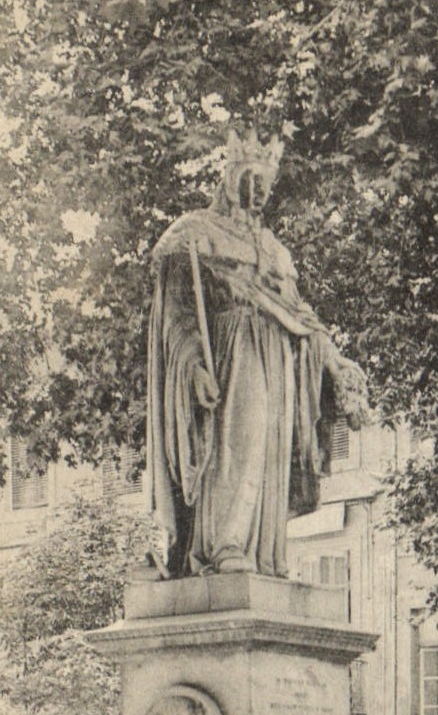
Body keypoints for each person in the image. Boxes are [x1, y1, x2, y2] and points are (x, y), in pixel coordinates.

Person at [146, 130, 368, 578]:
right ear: (230, 179)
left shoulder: (274, 251)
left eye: (267, 181)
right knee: (239, 440)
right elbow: (176, 314)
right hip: (232, 351)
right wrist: (192, 368)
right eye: (252, 177)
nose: (261, 189)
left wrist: (334, 360)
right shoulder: (193, 233)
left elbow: (300, 314)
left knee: (268, 448)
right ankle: (224, 543)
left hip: (277, 359)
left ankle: (262, 553)